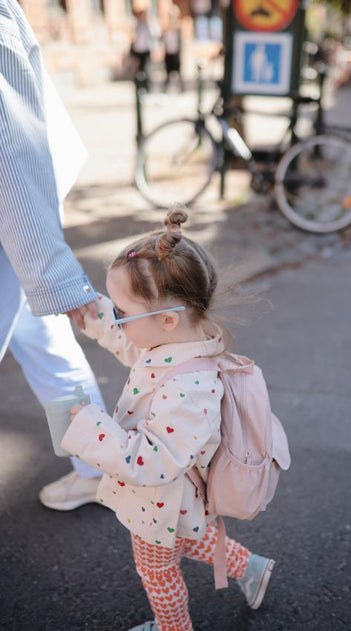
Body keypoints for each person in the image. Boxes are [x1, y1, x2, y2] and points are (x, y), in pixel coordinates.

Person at [62, 208, 275, 631]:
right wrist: (96, 315)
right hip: (175, 501)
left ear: (167, 320)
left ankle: (174, 628)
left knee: (157, 572)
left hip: (160, 498)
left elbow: (153, 461)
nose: (116, 318)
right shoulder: (178, 343)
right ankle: (250, 567)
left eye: (121, 311)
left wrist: (91, 428)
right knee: (184, 539)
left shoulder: (190, 389)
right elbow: (134, 346)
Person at [0, 0, 105, 508]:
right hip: (15, 231)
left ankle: (98, 467)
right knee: (47, 346)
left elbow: (10, 155)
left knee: (49, 344)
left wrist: (57, 279)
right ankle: (97, 467)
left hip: (13, 227)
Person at [130, 7, 161, 90]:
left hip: (146, 50)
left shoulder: (150, 24)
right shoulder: (137, 24)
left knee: (147, 69)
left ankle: (146, 86)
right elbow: (133, 36)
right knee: (139, 70)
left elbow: (156, 34)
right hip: (138, 50)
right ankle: (139, 86)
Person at [162, 3, 184, 93]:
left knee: (178, 73)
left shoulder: (179, 27)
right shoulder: (166, 27)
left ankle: (180, 89)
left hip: (176, 53)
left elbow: (181, 42)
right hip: (168, 52)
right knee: (168, 73)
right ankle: (166, 90)